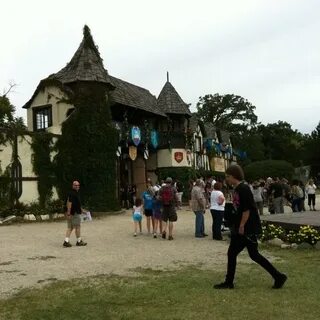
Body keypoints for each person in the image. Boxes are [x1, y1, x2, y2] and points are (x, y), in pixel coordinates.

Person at [214, 165, 287, 289]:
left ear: (233, 176)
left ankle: (229, 282)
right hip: (243, 227)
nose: (226, 179)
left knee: (239, 254)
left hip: (247, 227)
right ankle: (278, 276)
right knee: (249, 254)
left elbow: (247, 209)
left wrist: (242, 226)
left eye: (228, 176)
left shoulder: (244, 188)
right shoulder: (238, 189)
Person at [63, 180, 87, 247]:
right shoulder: (73, 193)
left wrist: (82, 210)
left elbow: (76, 204)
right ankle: (79, 241)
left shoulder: (72, 193)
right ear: (73, 186)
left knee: (70, 227)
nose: (77, 186)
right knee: (78, 227)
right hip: (74, 213)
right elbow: (69, 203)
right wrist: (68, 213)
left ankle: (66, 241)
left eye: (78, 185)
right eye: (76, 185)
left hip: (71, 212)